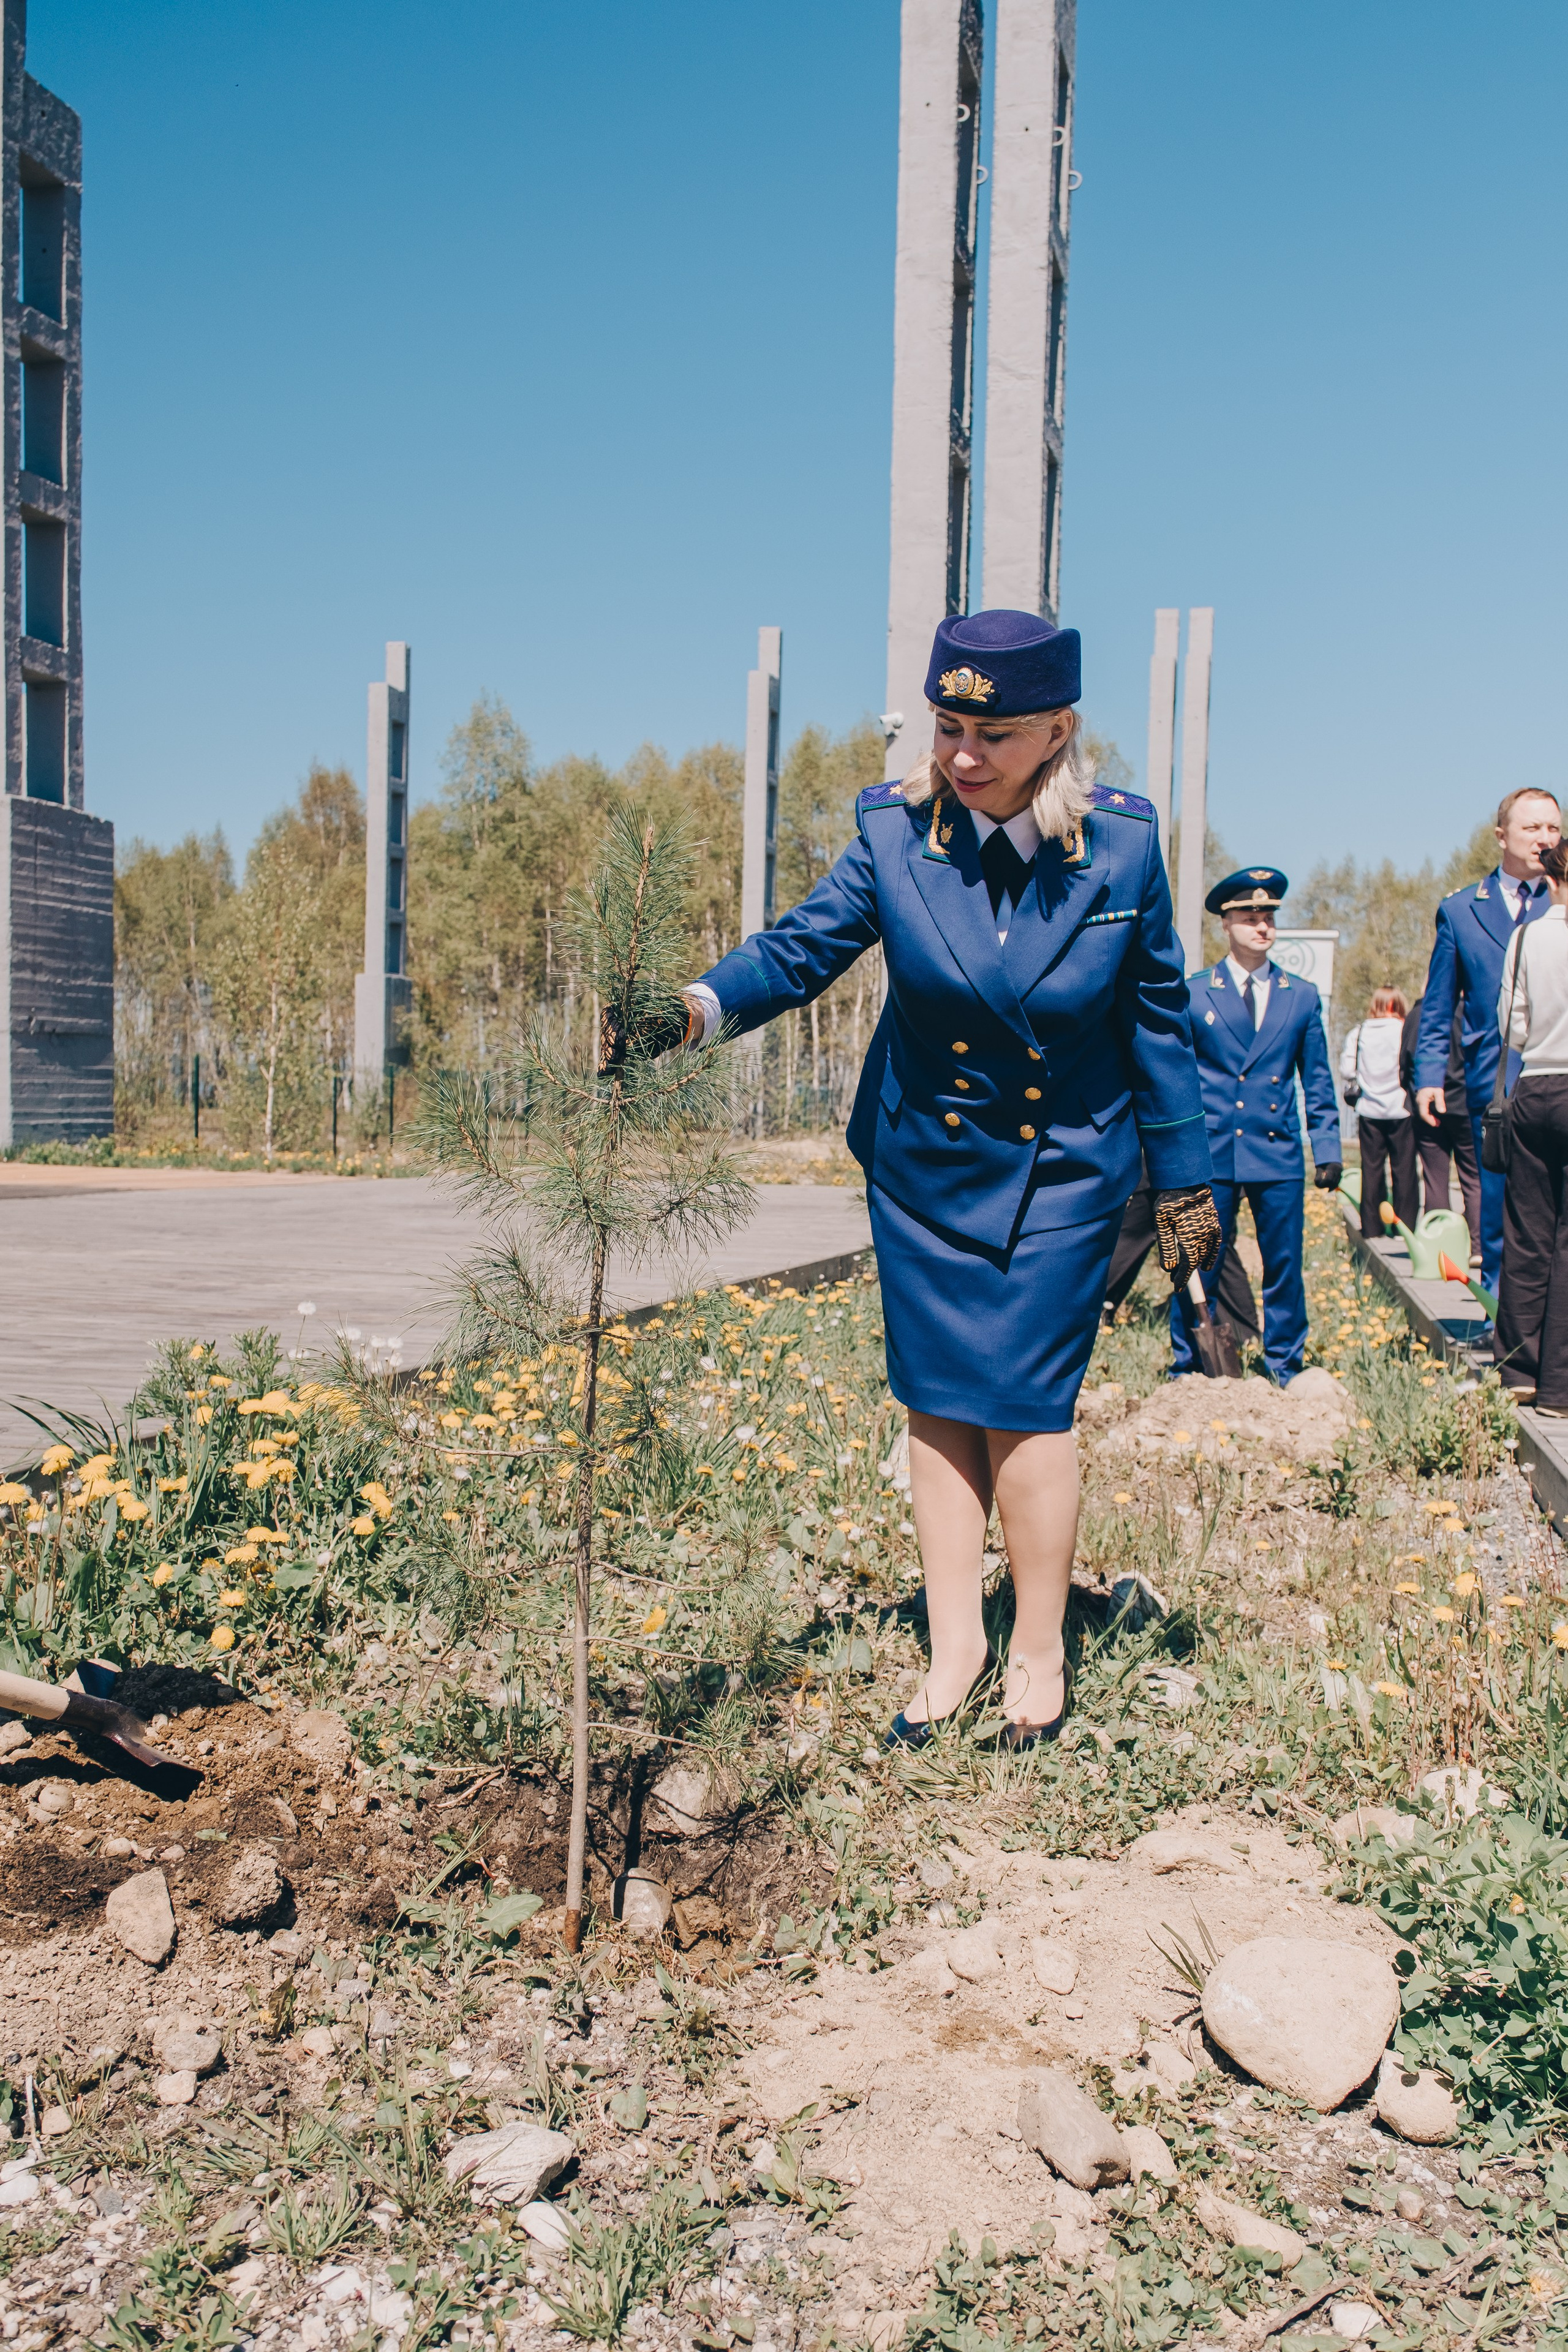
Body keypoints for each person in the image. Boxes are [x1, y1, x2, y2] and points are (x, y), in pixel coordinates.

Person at [673, 609, 1221, 1746]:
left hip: (1065, 1167)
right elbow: (800, 948)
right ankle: (954, 1643)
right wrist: (694, 1010)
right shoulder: (895, 833)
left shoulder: (1119, 846)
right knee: (935, 1401)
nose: (965, 756)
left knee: (1025, 1408)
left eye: (998, 733)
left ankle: (1037, 1645)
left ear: (1060, 732)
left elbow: (1159, 1017)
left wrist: (1185, 1177)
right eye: (950, 725)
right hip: (925, 1165)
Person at [1174, 870, 1342, 1384]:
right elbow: (1175, 1077)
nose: (1261, 926)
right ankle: (1191, 1362)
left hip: (1277, 1154)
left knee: (1285, 1265)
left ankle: (1286, 1362)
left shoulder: (1302, 996)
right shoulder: (1196, 994)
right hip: (1212, 1151)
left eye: (1268, 917)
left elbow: (1317, 1078)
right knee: (1196, 1261)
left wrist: (1328, 1145)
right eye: (1249, 917)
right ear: (1226, 923)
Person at [1413, 787, 1562, 1298]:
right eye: (1532, 828)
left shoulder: (1562, 904)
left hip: (1558, 1077)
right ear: (1502, 837)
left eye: (1553, 828)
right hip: (1491, 1081)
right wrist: (1429, 1077)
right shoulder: (1460, 912)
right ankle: (1501, 1325)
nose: (1545, 839)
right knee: (1495, 1206)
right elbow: (1437, 1004)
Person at [1493, 835, 1568, 1408]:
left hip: (1534, 1086)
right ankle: (1561, 1386)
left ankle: (1519, 1372)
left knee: (1527, 1232)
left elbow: (1511, 1028)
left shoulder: (1525, 936)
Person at [1401, 995, 1482, 1253]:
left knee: (1435, 1179)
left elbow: (1404, 1063)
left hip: (1426, 1105)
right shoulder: (1470, 1011)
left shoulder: (1417, 1014)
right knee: (1473, 1178)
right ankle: (1479, 1248)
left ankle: (1440, 1249)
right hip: (1465, 1104)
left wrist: (1414, 1091)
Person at [1341, 987, 1417, 1237]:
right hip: (1401, 1108)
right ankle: (1405, 1227)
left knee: (1371, 1169)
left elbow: (1347, 1070)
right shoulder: (1404, 1029)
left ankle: (1372, 1227)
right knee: (1404, 1170)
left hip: (1370, 1110)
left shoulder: (1359, 1032)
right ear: (1398, 1004)